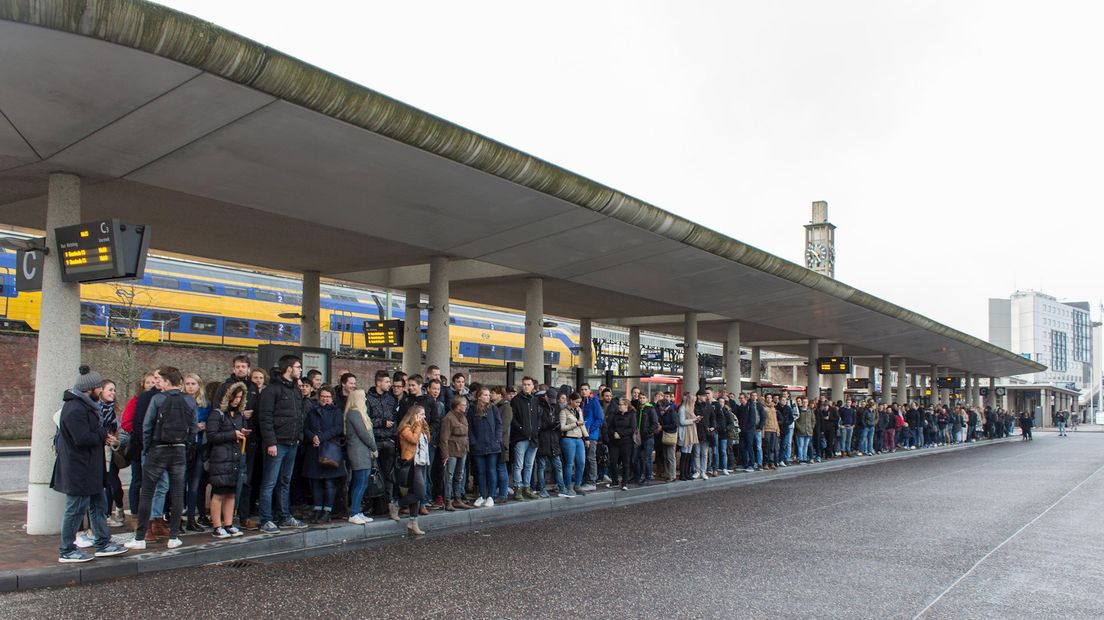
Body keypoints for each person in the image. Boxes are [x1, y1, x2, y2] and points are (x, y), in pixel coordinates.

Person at [53, 366, 129, 563]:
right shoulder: (76, 409)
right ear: (90, 389)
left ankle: (102, 543)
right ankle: (67, 549)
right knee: (76, 508)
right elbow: (82, 438)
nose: (101, 390)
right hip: (80, 468)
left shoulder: (84, 405)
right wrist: (102, 434)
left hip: (90, 467)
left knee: (98, 504)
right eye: (98, 387)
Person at [126, 366, 196, 550]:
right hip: (179, 449)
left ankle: (140, 538)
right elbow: (193, 428)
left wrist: (148, 448)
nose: (159, 384)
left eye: (161, 381)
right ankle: (173, 537)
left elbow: (147, 426)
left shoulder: (158, 399)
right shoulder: (189, 401)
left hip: (158, 448)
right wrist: (187, 447)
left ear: (166, 381)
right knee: (178, 492)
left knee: (147, 492)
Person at [255, 355, 307, 533]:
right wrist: (271, 442)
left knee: (285, 481)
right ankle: (266, 519)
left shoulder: (295, 390)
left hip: (292, 442)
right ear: (289, 368)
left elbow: (299, 415)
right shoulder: (272, 390)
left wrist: (299, 436)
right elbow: (265, 418)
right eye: (298, 367)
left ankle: (284, 516)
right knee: (269, 482)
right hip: (277, 443)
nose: (300, 370)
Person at [205, 382, 246, 538]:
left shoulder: (239, 415)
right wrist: (233, 434)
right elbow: (212, 436)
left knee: (231, 493)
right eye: (234, 397)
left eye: (239, 398)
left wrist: (241, 433)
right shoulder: (217, 414)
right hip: (221, 458)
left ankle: (228, 524)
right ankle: (217, 525)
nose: (236, 400)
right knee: (218, 493)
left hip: (234, 457)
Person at [302, 387, 345, 524]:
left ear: (332, 398)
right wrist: (312, 437)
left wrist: (320, 437)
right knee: (316, 483)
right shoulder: (312, 411)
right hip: (314, 451)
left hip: (329, 451)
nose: (325, 399)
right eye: (322, 396)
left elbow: (337, 429)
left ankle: (327, 510)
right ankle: (317, 509)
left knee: (329, 483)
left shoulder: (337, 412)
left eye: (328, 396)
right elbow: (306, 428)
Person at [366, 370, 400, 520]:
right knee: (374, 475)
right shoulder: (368, 399)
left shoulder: (391, 399)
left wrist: (392, 430)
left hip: (389, 441)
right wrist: (382, 423)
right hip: (375, 442)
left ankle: (386, 504)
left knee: (388, 475)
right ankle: (372, 505)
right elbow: (367, 420)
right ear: (378, 383)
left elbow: (395, 418)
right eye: (386, 382)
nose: (389, 384)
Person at [343, 389, 377, 525]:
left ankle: (357, 511)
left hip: (361, 452)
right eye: (363, 397)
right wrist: (374, 447)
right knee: (359, 483)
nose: (366, 400)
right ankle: (353, 513)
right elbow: (362, 433)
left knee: (362, 483)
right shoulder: (354, 413)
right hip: (358, 452)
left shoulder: (356, 413)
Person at [396, 405, 430, 536]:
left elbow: (428, 439)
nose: (424, 417)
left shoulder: (420, 428)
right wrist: (418, 425)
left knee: (416, 494)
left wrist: (425, 426)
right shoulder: (406, 428)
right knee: (420, 494)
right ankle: (396, 504)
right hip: (412, 463)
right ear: (414, 415)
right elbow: (414, 440)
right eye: (421, 415)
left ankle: (413, 522)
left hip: (422, 462)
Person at [182, 373, 209, 533]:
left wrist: (204, 426)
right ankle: (177, 518)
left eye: (194, 383)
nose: (190, 386)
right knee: (179, 484)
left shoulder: (205, 405)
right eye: (188, 383)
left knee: (194, 485)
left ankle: (192, 518)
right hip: (184, 446)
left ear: (199, 386)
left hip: (199, 447)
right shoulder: (180, 402)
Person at [468, 388, 503, 507]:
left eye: (489, 395)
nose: (488, 397)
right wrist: (473, 441)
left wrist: (497, 439)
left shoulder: (493, 408)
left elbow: (499, 424)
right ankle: (482, 495)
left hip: (492, 445)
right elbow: (470, 426)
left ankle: (491, 496)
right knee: (481, 472)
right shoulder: (472, 409)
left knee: (491, 470)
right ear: (479, 396)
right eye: (485, 395)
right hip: (478, 446)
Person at [99, 379, 126, 528]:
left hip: (111, 451)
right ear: (101, 391)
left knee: (113, 483)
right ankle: (107, 514)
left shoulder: (115, 411)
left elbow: (121, 430)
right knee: (104, 484)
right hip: (99, 450)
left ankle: (119, 508)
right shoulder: (95, 408)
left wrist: (115, 440)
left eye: (114, 390)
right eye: (110, 390)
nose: (113, 393)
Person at [510, 377, 541, 501]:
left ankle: (527, 488)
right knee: (519, 465)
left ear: (533, 386)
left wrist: (537, 428)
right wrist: (522, 428)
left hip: (533, 438)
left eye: (528, 384)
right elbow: (513, 419)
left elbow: (539, 416)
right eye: (524, 384)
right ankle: (518, 488)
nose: (526, 386)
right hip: (521, 438)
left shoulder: (535, 400)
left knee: (529, 465)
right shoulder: (516, 400)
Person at [438, 394, 471, 510]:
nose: (466, 407)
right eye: (464, 405)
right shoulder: (448, 418)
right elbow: (444, 439)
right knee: (449, 477)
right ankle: (448, 501)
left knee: (459, 476)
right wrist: (445, 455)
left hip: (462, 450)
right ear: (457, 406)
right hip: (451, 451)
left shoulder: (463, 417)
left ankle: (457, 499)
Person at [534, 388, 568, 497]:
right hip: (543, 440)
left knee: (557, 466)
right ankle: (542, 489)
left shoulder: (556, 407)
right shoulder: (539, 406)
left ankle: (562, 488)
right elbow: (538, 426)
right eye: (551, 399)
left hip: (553, 440)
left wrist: (557, 426)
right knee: (542, 467)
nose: (553, 402)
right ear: (545, 396)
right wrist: (551, 425)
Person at [560, 392, 588, 496]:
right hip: (568, 439)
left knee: (581, 462)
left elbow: (582, 424)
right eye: (576, 402)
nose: (578, 404)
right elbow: (562, 427)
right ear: (571, 400)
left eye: (580, 402)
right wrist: (575, 424)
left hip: (579, 438)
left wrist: (587, 437)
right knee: (569, 463)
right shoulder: (564, 412)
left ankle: (578, 485)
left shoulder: (579, 410)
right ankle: (568, 486)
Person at [604, 397, 636, 489]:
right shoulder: (615, 414)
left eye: (620, 404)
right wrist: (614, 433)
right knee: (613, 462)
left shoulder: (631, 414)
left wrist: (620, 434)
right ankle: (615, 481)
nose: (619, 406)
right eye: (619, 404)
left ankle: (624, 483)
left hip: (626, 442)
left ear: (626, 405)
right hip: (614, 442)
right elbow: (610, 426)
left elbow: (632, 428)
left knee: (625, 463)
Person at [490, 386, 513, 503]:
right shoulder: (494, 406)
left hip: (501, 442)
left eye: (492, 393)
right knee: (494, 468)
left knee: (501, 468)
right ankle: (493, 493)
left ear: (499, 395)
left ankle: (503, 494)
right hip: (493, 442)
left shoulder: (506, 407)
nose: (490, 395)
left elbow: (503, 426)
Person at [580, 383, 604, 490]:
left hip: (591, 435)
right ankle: (586, 480)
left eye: (586, 389)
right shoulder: (582, 402)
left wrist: (589, 431)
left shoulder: (594, 401)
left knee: (590, 458)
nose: (583, 391)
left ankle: (592, 482)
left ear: (590, 390)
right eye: (582, 389)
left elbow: (599, 418)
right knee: (584, 458)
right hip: (583, 435)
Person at [634, 392, 660, 484]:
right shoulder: (639, 408)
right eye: (640, 398)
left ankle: (648, 477)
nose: (641, 400)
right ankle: (637, 476)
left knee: (647, 458)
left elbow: (655, 423)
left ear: (647, 399)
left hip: (648, 437)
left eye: (643, 398)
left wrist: (648, 431)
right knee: (636, 457)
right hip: (639, 437)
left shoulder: (650, 409)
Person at [677, 395, 699, 481]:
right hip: (685, 433)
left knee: (688, 454)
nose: (694, 403)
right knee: (684, 454)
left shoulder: (690, 409)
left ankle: (686, 473)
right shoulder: (682, 408)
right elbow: (681, 422)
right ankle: (682, 474)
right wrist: (693, 420)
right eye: (693, 401)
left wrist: (696, 419)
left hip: (690, 432)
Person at [793, 397, 815, 464]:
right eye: (804, 402)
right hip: (800, 431)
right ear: (802, 403)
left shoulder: (810, 410)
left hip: (808, 431)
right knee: (800, 445)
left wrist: (811, 427)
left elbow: (813, 420)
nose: (805, 403)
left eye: (806, 402)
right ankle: (800, 458)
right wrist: (799, 428)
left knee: (806, 446)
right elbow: (796, 420)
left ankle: (804, 458)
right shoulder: (798, 410)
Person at [761, 394, 780, 470]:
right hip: (767, 429)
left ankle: (771, 462)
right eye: (767, 397)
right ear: (765, 399)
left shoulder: (773, 408)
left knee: (772, 447)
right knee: (766, 447)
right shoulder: (763, 408)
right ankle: (765, 463)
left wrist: (778, 429)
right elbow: (763, 420)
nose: (769, 399)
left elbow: (776, 420)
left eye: (770, 398)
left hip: (774, 430)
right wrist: (762, 431)